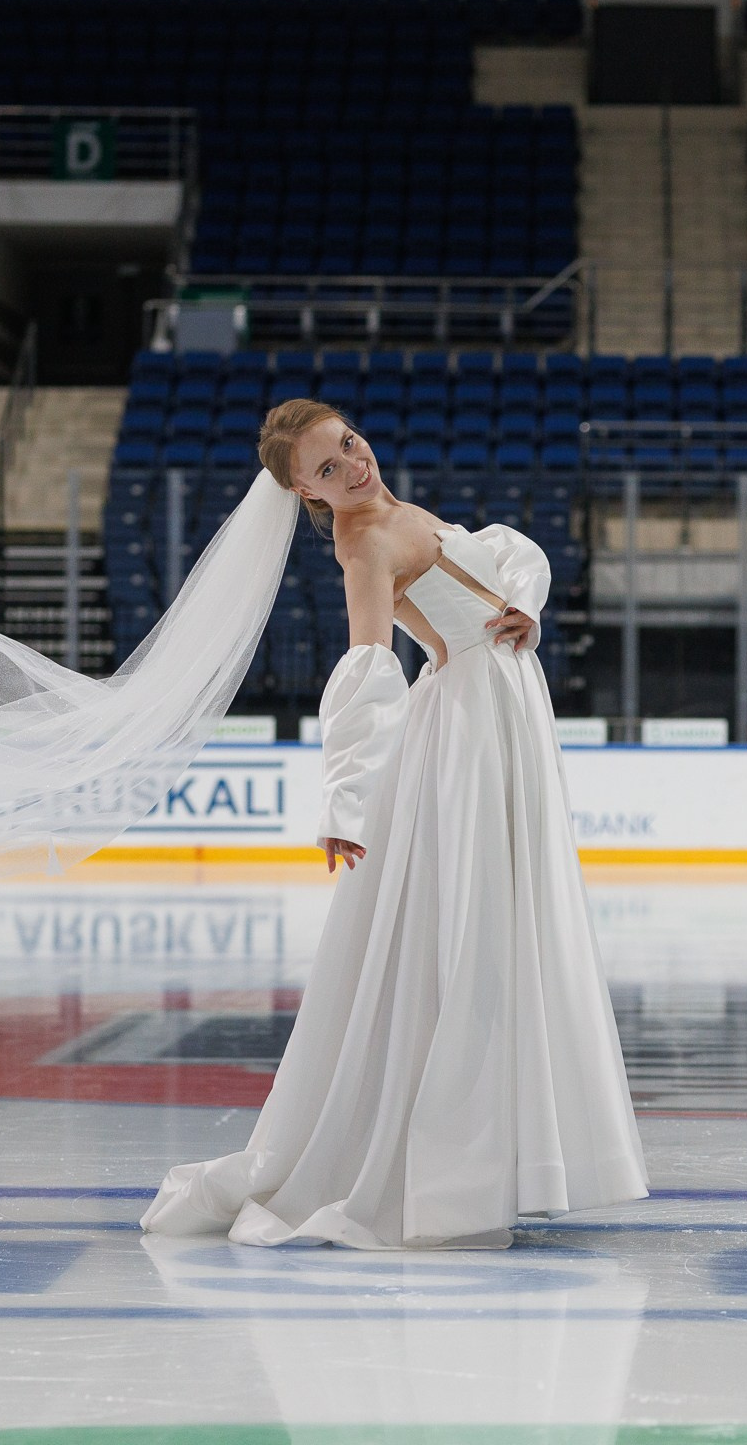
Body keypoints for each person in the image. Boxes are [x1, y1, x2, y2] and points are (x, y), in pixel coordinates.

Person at [138, 398, 648, 1249]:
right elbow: (369, 665)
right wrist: (344, 799)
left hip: (502, 699)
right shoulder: (363, 544)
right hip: (472, 720)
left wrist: (525, 606)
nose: (353, 464)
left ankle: (498, 1157)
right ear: (307, 493)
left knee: (505, 922)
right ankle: (459, 1169)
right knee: (476, 931)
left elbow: (500, 561)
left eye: (348, 443)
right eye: (329, 469)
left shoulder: (394, 511)